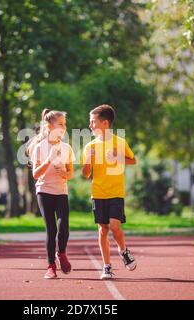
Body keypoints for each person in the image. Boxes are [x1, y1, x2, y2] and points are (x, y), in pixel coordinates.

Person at [81, 104, 137, 280]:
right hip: (98, 193)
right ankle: (107, 266)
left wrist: (118, 157)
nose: (90, 125)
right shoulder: (90, 146)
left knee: (115, 226)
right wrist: (88, 161)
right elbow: (85, 174)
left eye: (93, 122)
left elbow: (132, 160)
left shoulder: (120, 142)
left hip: (116, 192)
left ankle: (123, 250)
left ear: (105, 123)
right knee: (103, 230)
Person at [27, 108, 75, 279]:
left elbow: (71, 173)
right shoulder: (39, 147)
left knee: (64, 228)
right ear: (49, 125)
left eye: (65, 124)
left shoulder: (67, 148)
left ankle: (61, 253)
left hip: (61, 191)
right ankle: (50, 266)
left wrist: (64, 174)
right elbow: (35, 174)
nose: (64, 127)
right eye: (60, 124)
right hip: (44, 191)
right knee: (51, 230)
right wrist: (48, 161)